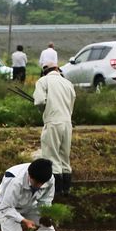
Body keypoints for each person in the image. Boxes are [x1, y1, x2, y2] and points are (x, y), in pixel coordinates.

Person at [0, 158, 56, 231]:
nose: (39, 186)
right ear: (30, 176)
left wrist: (45, 215)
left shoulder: (49, 178)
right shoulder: (15, 181)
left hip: (30, 205)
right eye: (36, 183)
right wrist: (24, 221)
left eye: (41, 184)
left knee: (47, 229)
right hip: (7, 208)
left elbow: (46, 200)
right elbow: (6, 207)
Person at [33, 62, 76, 197]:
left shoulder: (43, 81)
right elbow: (72, 100)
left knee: (51, 156)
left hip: (52, 122)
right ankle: (66, 190)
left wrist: (43, 110)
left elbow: (39, 101)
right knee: (64, 156)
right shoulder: (68, 83)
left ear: (44, 71)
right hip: (67, 123)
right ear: (57, 69)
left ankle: (56, 191)